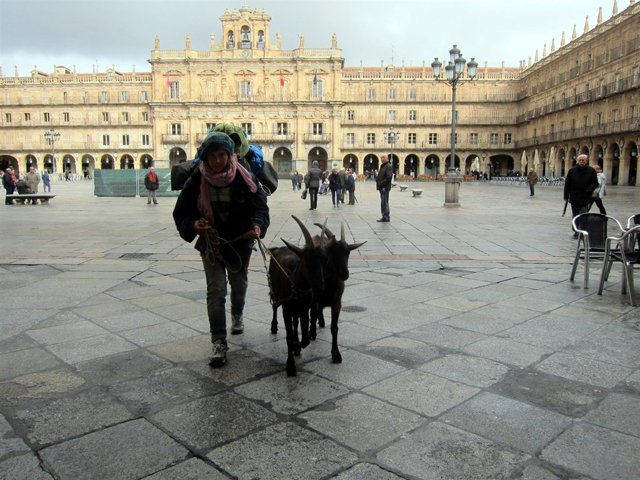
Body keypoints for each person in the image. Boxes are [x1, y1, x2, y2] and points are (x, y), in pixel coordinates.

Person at [173, 132, 269, 367]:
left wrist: (257, 225)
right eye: (213, 156)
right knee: (215, 291)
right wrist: (194, 224)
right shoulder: (196, 179)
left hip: (239, 241)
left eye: (222, 155)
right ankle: (218, 341)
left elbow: (260, 206)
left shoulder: (245, 178)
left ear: (229, 155)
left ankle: (237, 312)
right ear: (205, 157)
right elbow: (181, 211)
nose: (217, 161)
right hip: (212, 243)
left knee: (239, 284)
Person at [564, 154, 598, 238]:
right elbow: (567, 184)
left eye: (583, 160)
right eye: (580, 160)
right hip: (574, 196)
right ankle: (576, 231)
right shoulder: (572, 171)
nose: (582, 161)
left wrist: (589, 189)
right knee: (575, 215)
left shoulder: (591, 171)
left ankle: (582, 231)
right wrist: (566, 195)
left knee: (583, 215)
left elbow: (595, 183)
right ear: (577, 161)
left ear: (586, 161)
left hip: (585, 197)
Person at [376, 155, 393, 222]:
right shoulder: (383, 166)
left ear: (387, 159)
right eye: (381, 158)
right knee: (384, 202)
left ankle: (385, 216)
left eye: (383, 158)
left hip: (384, 188)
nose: (382, 159)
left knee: (384, 202)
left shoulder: (388, 166)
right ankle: (386, 216)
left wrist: (381, 183)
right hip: (382, 187)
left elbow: (389, 177)